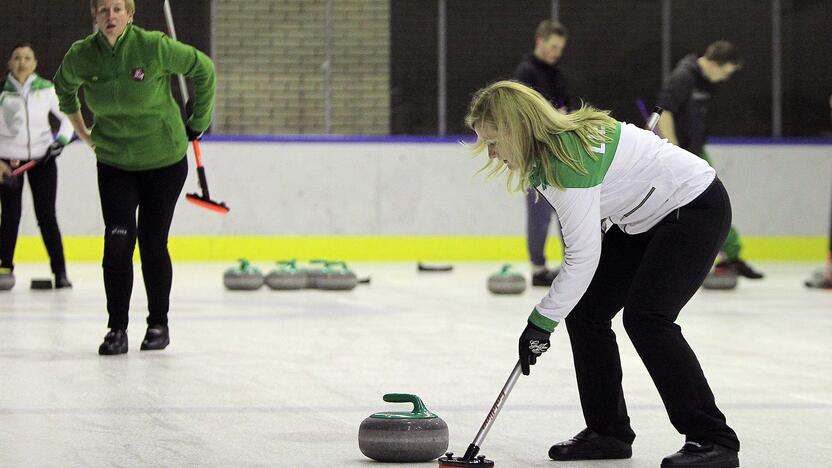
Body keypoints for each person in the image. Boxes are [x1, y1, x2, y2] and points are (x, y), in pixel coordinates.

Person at [465, 81, 740, 467]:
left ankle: (714, 440)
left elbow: (581, 258)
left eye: (494, 142)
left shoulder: (565, 161)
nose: (492, 154)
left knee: (647, 319)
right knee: (586, 311)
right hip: (644, 217)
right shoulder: (551, 154)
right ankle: (608, 433)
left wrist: (540, 324)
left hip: (693, 206)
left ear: (517, 128)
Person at [53, 0, 216, 355]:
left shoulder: (153, 46)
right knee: (117, 242)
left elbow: (203, 69)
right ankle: (117, 328)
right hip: (114, 162)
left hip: (164, 160)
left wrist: (199, 122)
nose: (110, 17)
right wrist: (85, 134)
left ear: (130, 15)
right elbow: (64, 90)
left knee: (153, 244)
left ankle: (158, 323)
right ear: (94, 16)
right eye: (103, 11)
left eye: (117, 9)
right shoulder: (82, 56)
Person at [656, 40, 763, 280]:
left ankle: (729, 253)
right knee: (710, 205)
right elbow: (663, 111)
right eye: (726, 72)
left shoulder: (701, 81)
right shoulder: (683, 77)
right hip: (681, 156)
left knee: (713, 203)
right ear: (715, 64)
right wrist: (674, 149)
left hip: (693, 153)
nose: (726, 78)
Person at [0, 43, 74, 290]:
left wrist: (60, 142)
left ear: (35, 63)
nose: (22, 62)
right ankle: (4, 268)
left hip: (43, 161)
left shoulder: (47, 89)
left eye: (27, 58)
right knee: (10, 216)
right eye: (17, 57)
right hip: (9, 164)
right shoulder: (2, 91)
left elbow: (69, 119)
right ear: (10, 63)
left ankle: (60, 271)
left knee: (47, 216)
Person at [512, 20, 572, 286]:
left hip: (557, 151)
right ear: (539, 41)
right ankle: (538, 267)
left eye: (559, 48)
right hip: (535, 152)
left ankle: (572, 264)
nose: (555, 52)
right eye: (552, 46)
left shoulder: (557, 75)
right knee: (539, 209)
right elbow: (521, 112)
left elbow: (565, 107)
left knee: (566, 209)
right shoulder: (525, 73)